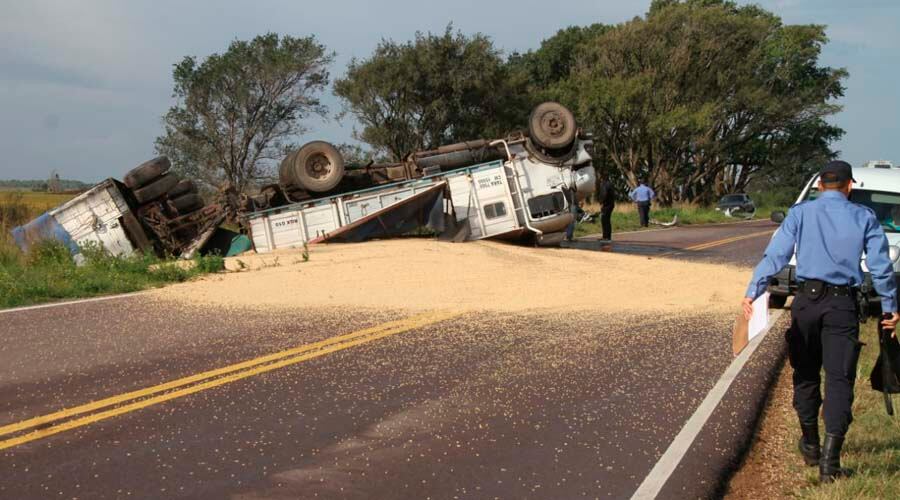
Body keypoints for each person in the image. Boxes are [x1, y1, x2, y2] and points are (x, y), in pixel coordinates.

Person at [742, 160, 899, 483]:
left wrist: (753, 291)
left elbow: (776, 256)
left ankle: (810, 442)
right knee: (839, 379)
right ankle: (830, 461)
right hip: (843, 305)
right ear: (849, 186)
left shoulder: (800, 214)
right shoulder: (864, 217)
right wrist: (890, 308)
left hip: (806, 303)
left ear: (818, 186)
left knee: (805, 372)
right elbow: (881, 268)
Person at [597, 175, 615, 240]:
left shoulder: (604, 185)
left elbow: (604, 194)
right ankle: (607, 236)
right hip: (610, 204)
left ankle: (606, 236)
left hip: (606, 205)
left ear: (602, 178)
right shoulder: (610, 184)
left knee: (604, 220)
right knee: (607, 220)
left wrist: (601, 202)